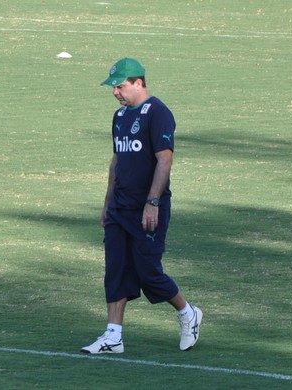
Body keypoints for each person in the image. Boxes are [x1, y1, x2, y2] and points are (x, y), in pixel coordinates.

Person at [81, 57, 202, 354]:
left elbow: (165, 159)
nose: (115, 93)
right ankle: (113, 336)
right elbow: (116, 161)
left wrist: (153, 202)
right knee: (116, 270)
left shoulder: (158, 113)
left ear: (138, 83)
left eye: (120, 86)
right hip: (119, 209)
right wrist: (107, 204)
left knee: (148, 272)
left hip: (147, 208)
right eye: (113, 87)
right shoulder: (120, 116)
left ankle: (188, 313)